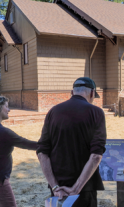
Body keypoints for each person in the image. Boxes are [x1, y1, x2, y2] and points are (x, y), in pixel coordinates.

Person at [37, 77, 107, 207]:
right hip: (85, 187)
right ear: (92, 93)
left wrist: (55, 186)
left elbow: (42, 153)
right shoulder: (96, 112)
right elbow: (96, 155)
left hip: (58, 187)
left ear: (72, 92)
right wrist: (76, 188)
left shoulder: (53, 111)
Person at [0, 95, 38, 207]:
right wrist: (52, 144)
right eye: (6, 106)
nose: (9, 110)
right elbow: (28, 144)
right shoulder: (2, 132)